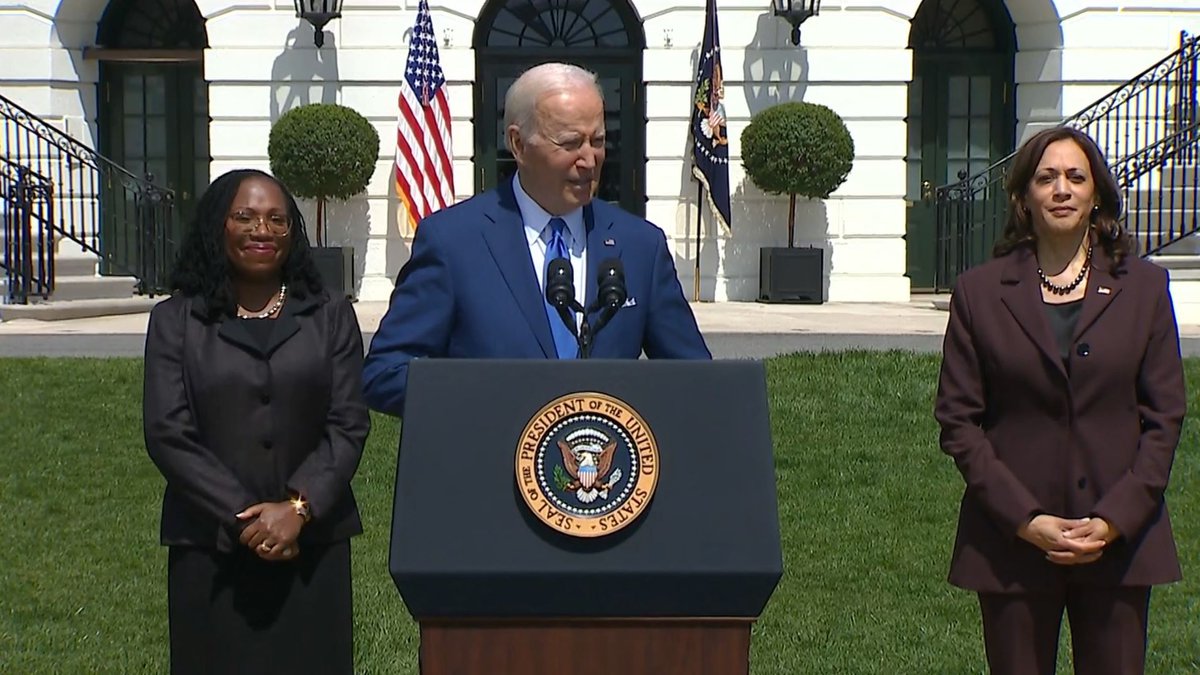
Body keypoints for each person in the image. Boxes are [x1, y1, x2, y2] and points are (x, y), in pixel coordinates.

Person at [934, 126, 1186, 674]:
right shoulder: (979, 293)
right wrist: (1025, 519)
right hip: (1012, 547)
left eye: (1076, 177)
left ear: (1097, 193)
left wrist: (1115, 519)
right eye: (1046, 178)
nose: (1062, 189)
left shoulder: (1144, 288)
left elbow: (1164, 419)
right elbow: (958, 421)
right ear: (1024, 196)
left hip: (1120, 546)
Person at [363, 62, 710, 416]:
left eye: (599, 141)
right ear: (518, 144)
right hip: (491, 461)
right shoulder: (453, 242)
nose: (589, 160)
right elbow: (386, 372)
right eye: (571, 143)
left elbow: (697, 379)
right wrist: (494, 397)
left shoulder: (640, 246)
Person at [142, 169, 370, 674]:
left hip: (312, 545)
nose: (261, 230)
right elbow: (167, 431)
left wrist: (297, 509)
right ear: (217, 226)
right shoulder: (175, 320)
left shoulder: (331, 314)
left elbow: (348, 423)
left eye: (276, 219)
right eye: (243, 216)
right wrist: (248, 518)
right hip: (211, 547)